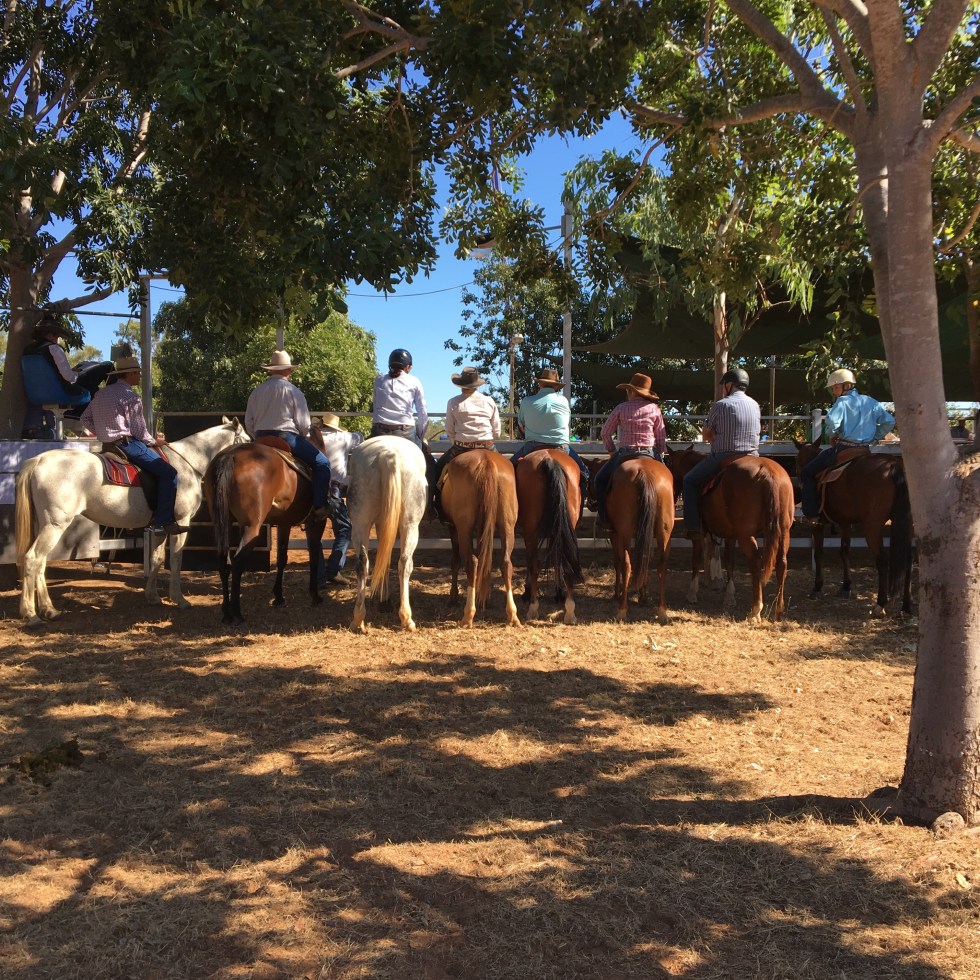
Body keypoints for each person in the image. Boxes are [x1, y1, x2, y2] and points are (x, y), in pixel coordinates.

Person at [80, 356, 190, 535]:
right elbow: (139, 430)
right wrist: (154, 441)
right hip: (127, 444)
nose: (139, 376)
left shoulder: (101, 394)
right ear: (129, 374)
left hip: (108, 445)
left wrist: (102, 430)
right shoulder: (130, 396)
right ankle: (162, 522)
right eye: (137, 373)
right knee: (169, 473)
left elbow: (85, 418)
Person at [245, 349, 340, 521]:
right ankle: (319, 506)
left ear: (271, 370)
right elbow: (304, 425)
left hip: (260, 439)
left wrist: (257, 437)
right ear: (288, 370)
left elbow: (249, 422)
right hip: (286, 437)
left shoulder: (256, 392)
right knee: (322, 463)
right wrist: (303, 435)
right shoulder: (294, 392)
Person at [800, 367, 896, 522]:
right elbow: (889, 421)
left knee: (807, 472)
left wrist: (832, 434)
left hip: (843, 449)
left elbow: (832, 422)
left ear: (846, 385)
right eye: (833, 388)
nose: (834, 391)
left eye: (835, 387)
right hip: (864, 450)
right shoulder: (870, 401)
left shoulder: (842, 402)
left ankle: (812, 515)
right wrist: (875, 437)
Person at [682, 367, 761, 540]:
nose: (722, 389)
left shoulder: (721, 405)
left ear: (729, 384)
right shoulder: (755, 405)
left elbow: (706, 434)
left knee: (689, 481)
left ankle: (693, 526)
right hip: (752, 457)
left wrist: (713, 436)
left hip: (724, 456)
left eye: (723, 385)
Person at [22, 313, 114, 435]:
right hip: (58, 393)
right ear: (50, 334)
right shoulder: (54, 348)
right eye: (57, 335)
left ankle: (54, 431)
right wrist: (76, 373)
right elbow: (69, 377)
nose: (57, 339)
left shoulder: (27, 350)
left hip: (34, 395)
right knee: (89, 388)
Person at [593, 372, 667, 522]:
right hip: (649, 452)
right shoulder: (655, 409)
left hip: (625, 453)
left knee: (599, 480)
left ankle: (604, 518)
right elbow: (660, 437)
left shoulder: (621, 408)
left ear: (631, 391)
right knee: (668, 480)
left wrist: (612, 451)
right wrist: (660, 454)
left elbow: (605, 433)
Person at [510, 367, 589, 502]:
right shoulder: (564, 401)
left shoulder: (527, 401)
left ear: (540, 384)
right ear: (556, 386)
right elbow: (566, 423)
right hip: (561, 447)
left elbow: (521, 426)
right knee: (584, 473)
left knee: (508, 469)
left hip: (533, 446)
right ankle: (582, 503)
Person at [430, 366, 501, 492]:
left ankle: (435, 502)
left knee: (436, 471)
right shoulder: (489, 401)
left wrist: (457, 440)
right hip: (487, 445)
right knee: (511, 470)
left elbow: (449, 430)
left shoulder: (453, 402)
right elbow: (497, 431)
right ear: (476, 385)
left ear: (461, 385)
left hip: (462, 447)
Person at [315, 413, 363, 586]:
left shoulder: (312, 437)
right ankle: (333, 570)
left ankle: (319, 575)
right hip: (333, 490)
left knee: (314, 533)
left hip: (313, 488)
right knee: (344, 528)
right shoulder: (343, 437)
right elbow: (360, 437)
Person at [371, 348, 428, 449]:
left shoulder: (379, 379)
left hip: (379, 430)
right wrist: (419, 436)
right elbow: (422, 412)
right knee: (424, 454)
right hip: (405, 431)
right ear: (407, 367)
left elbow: (375, 405)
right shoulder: (414, 381)